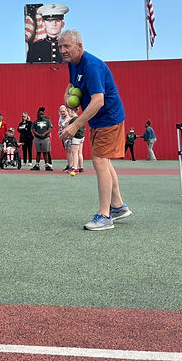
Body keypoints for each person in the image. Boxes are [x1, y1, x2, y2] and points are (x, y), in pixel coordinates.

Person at [58, 29, 132, 231]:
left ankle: (104, 216)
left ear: (79, 46)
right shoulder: (74, 64)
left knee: (99, 161)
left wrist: (74, 125)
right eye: (60, 47)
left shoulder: (91, 65)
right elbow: (73, 85)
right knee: (103, 161)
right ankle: (117, 207)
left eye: (67, 46)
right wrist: (68, 96)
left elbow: (98, 101)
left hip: (109, 117)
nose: (62, 50)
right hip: (98, 120)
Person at [30, 107, 54, 171]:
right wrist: (39, 135)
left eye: (42, 114)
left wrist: (44, 134)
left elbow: (50, 129)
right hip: (37, 138)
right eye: (40, 114)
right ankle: (37, 165)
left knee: (45, 152)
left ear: (44, 114)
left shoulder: (47, 121)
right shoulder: (35, 122)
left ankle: (47, 165)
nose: (41, 115)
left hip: (45, 138)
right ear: (37, 115)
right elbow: (33, 130)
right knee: (38, 152)